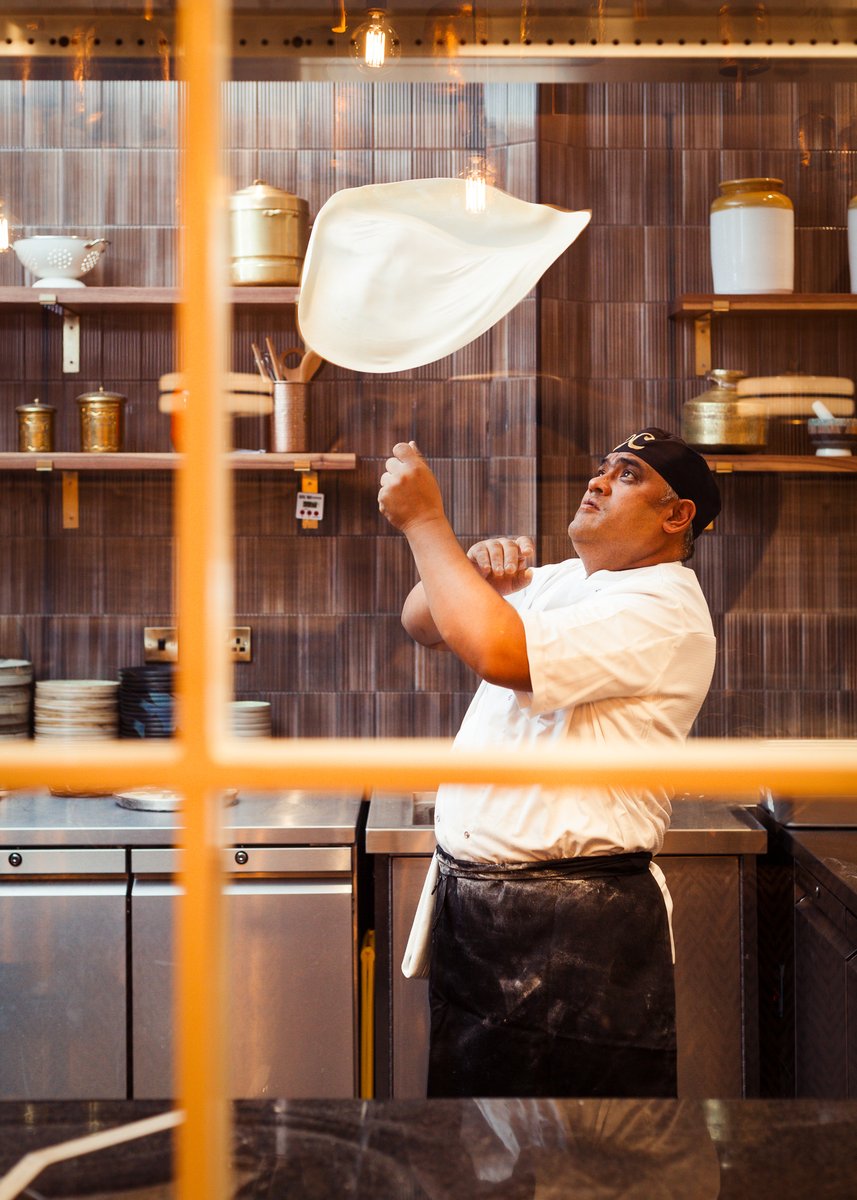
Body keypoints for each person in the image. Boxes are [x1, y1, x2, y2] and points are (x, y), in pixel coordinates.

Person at [377, 427, 721, 1100]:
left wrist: (425, 523)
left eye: (627, 476)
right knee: (481, 1146)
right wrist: (468, 569)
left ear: (675, 515)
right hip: (483, 913)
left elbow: (501, 655)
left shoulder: (662, 609)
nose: (596, 481)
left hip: (574, 926)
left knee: (577, 1156)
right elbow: (422, 622)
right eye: (602, 467)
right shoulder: (568, 581)